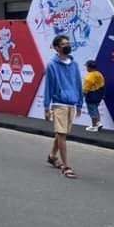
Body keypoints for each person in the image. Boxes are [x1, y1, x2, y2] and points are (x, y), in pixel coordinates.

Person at [43, 35, 83, 179]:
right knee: (61, 134)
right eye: (63, 44)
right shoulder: (52, 65)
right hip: (59, 104)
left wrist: (79, 103)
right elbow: (48, 87)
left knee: (62, 133)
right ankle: (66, 166)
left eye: (68, 43)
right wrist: (46, 107)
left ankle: (52, 156)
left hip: (72, 103)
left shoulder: (74, 64)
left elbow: (78, 84)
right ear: (56, 48)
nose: (67, 46)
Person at [83, 60, 105, 132]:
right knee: (95, 109)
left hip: (91, 95)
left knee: (92, 110)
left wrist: (82, 95)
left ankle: (95, 125)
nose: (86, 68)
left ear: (89, 67)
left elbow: (85, 89)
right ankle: (98, 123)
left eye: (87, 66)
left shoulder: (89, 76)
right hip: (99, 95)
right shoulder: (99, 74)